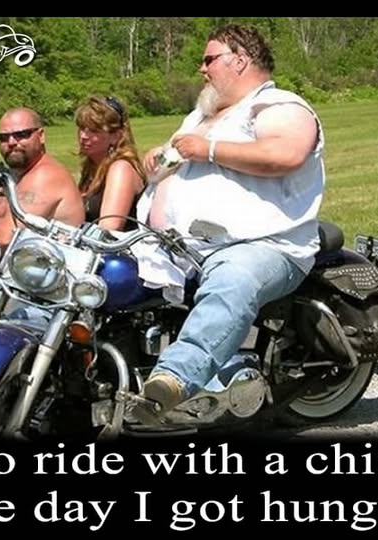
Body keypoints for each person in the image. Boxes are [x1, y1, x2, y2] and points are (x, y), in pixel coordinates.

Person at [133, 23, 326, 424]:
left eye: (209, 59)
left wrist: (209, 149)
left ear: (240, 60)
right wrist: (158, 159)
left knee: (232, 280)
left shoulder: (277, 106)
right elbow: (178, 162)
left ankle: (174, 379)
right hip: (179, 248)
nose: (201, 69)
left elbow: (285, 154)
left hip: (263, 245)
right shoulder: (201, 116)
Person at [0, 107, 85, 285]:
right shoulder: (9, 179)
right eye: (3, 137)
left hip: (44, 287)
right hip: (6, 279)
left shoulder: (45, 175)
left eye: (21, 135)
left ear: (41, 136)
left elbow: (4, 237)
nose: (11, 142)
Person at [75, 96, 146, 231]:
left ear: (116, 136)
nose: (83, 136)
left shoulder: (121, 169)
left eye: (93, 131)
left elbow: (109, 228)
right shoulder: (91, 168)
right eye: (82, 128)